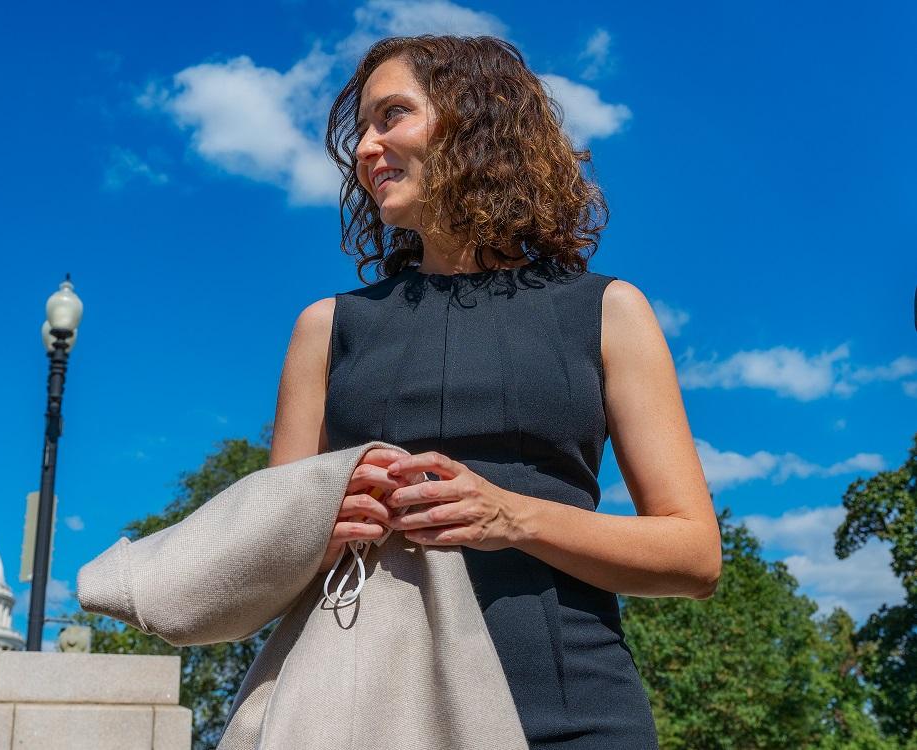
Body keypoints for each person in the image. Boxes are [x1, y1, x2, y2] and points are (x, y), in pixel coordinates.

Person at [268, 35, 721, 749]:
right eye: (361, 129)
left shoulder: (610, 311)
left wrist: (510, 517)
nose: (364, 148)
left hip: (576, 717)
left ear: (476, 122)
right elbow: (268, 555)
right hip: (370, 716)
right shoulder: (326, 329)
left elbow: (694, 556)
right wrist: (319, 530)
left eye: (391, 117)